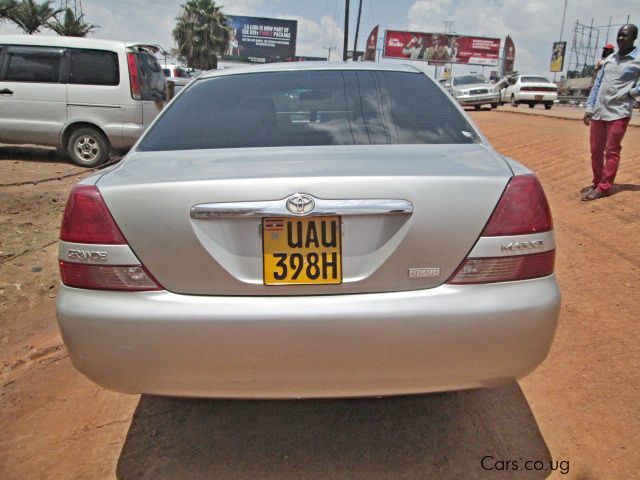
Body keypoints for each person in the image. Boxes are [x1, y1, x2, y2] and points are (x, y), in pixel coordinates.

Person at [581, 24, 639, 201]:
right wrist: (589, 108)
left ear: (634, 37)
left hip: (619, 112)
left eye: (625, 35)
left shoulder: (637, 59)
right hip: (599, 111)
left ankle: (605, 187)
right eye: (619, 35)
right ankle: (597, 181)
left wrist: (633, 92)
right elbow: (597, 85)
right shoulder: (609, 59)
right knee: (595, 150)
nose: (621, 38)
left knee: (611, 151)